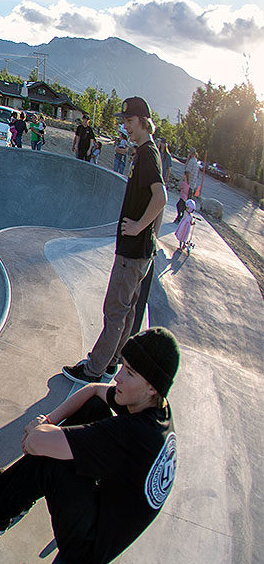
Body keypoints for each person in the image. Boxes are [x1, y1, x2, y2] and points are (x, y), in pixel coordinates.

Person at [0, 327, 179, 564]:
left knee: (53, 459)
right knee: (92, 409)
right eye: (122, 366)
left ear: (152, 387)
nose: (118, 377)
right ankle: (17, 486)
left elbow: (37, 443)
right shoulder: (155, 408)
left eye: (130, 373)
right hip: (105, 511)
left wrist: (38, 432)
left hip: (87, 547)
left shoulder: (133, 433)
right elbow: (93, 390)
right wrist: (48, 420)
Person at [64, 97, 167, 384]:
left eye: (130, 123)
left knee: (114, 310)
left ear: (144, 122)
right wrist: (150, 236)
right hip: (141, 251)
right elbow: (154, 199)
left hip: (133, 251)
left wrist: (137, 228)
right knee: (127, 310)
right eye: (124, 122)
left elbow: (161, 199)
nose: (126, 128)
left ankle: (93, 369)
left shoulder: (147, 154)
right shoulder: (148, 152)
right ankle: (111, 362)